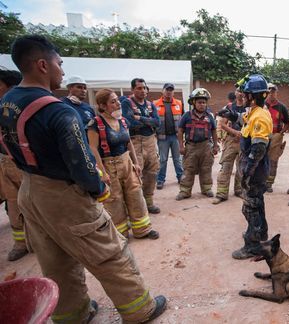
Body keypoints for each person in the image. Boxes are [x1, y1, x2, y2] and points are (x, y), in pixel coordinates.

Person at [0, 35, 166, 323]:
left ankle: (73, 315)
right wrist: (98, 187)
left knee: (55, 261)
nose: (62, 71)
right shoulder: (57, 111)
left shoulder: (7, 102)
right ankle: (140, 310)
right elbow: (81, 161)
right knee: (109, 253)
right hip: (63, 197)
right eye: (59, 64)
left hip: (31, 190)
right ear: (42, 64)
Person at [88, 89, 159, 240]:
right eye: (112, 101)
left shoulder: (122, 121)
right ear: (102, 105)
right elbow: (92, 148)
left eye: (117, 100)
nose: (118, 103)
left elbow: (128, 143)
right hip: (109, 165)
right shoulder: (95, 124)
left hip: (126, 163)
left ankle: (143, 229)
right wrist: (102, 172)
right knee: (114, 199)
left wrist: (136, 163)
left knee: (136, 195)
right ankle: (121, 234)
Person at [218, 74, 273, 260]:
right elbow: (244, 120)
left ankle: (253, 245)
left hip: (255, 170)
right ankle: (262, 235)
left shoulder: (260, 117)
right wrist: (230, 114)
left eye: (244, 93)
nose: (241, 96)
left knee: (250, 207)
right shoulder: (254, 112)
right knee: (257, 203)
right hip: (254, 168)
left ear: (252, 96)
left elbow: (258, 149)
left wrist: (247, 173)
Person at [0, 69, 28, 261]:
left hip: (23, 162)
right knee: (13, 203)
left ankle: (43, 240)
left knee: (33, 202)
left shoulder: (21, 106)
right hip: (4, 161)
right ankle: (21, 243)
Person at [121, 78, 161, 214]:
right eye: (139, 88)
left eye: (144, 88)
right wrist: (148, 122)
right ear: (132, 89)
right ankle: (136, 206)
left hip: (150, 141)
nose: (143, 91)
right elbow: (129, 123)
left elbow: (157, 122)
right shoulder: (126, 103)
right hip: (135, 141)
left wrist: (141, 118)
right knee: (135, 174)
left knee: (152, 172)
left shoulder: (150, 104)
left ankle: (148, 201)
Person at [175, 88, 219, 200]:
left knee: (206, 168)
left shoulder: (209, 116)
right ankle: (185, 191)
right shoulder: (186, 116)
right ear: (194, 103)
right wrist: (181, 146)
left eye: (204, 102)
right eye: (199, 102)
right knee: (188, 169)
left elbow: (214, 130)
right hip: (191, 147)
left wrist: (215, 145)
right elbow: (180, 130)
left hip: (206, 146)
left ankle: (207, 189)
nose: (202, 104)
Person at [212, 88, 246, 204]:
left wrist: (243, 133)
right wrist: (235, 132)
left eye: (242, 91)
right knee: (226, 166)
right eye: (238, 91)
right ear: (235, 93)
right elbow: (222, 124)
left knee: (242, 168)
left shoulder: (249, 107)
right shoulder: (230, 107)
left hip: (245, 141)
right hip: (231, 141)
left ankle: (239, 190)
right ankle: (221, 194)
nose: (240, 93)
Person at [153, 83, 184, 189]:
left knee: (177, 159)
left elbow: (182, 120)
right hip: (162, 137)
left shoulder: (179, 103)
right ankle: (160, 180)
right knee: (163, 159)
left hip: (175, 136)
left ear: (173, 92)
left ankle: (180, 177)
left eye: (171, 90)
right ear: (163, 91)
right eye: (167, 90)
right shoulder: (155, 104)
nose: (169, 92)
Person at [264, 83, 289, 193]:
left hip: (275, 137)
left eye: (273, 91)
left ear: (276, 93)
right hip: (262, 136)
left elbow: (287, 123)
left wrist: (281, 133)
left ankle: (269, 183)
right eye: (269, 91)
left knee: (273, 161)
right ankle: (260, 181)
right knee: (259, 159)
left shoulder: (281, 107)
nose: (271, 93)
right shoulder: (261, 105)